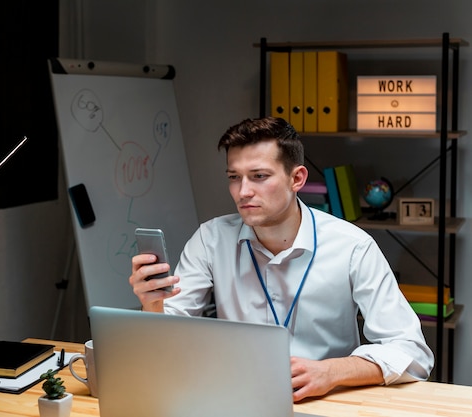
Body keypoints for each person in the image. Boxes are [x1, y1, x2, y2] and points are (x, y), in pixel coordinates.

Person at [129, 117, 434, 402]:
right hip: (236, 398)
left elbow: (413, 353)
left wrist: (330, 372)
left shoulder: (352, 246)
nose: (243, 192)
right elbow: (166, 345)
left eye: (259, 176)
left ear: (296, 178)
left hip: (325, 401)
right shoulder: (211, 239)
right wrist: (153, 305)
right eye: (234, 177)